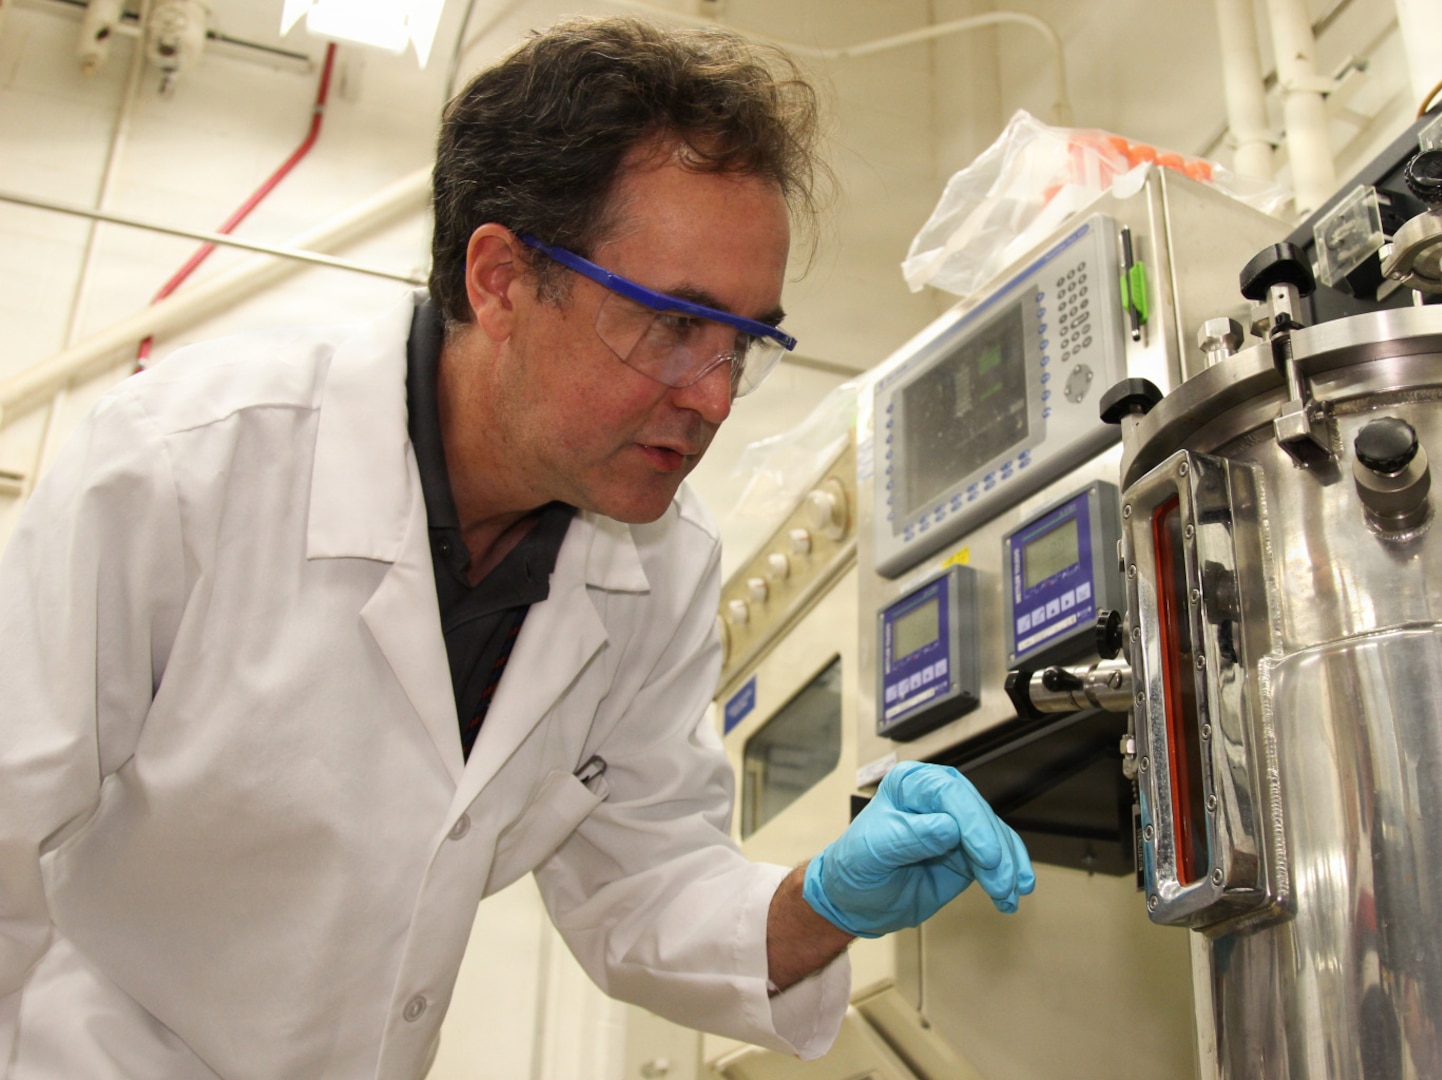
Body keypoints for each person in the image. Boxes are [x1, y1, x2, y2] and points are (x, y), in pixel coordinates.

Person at [0, 16, 1034, 1078]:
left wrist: (821, 903)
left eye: (745, 343)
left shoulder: (661, 565)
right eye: (675, 324)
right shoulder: (188, 464)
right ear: (500, 280)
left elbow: (642, 882)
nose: (716, 397)